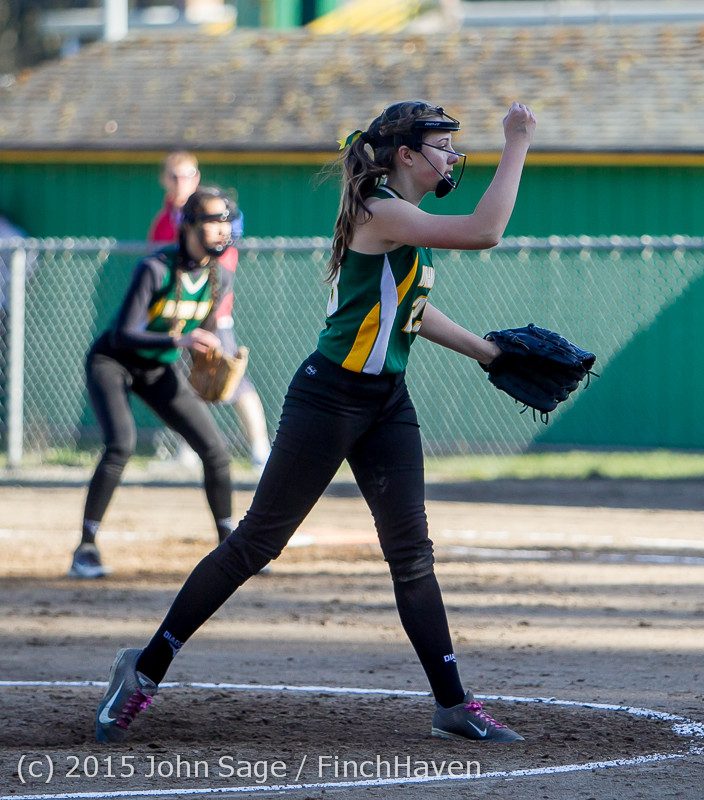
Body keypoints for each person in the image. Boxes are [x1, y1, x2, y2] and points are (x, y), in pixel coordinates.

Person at [94, 100, 536, 742]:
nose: (451, 157)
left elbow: (407, 309)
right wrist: (517, 143)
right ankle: (143, 669)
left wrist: (489, 353)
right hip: (328, 398)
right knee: (255, 543)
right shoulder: (380, 209)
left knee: (411, 552)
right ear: (406, 156)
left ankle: (452, 703)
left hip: (386, 401)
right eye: (441, 146)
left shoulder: (401, 218)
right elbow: (485, 231)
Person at [69, 188, 240, 579]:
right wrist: (180, 341)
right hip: (112, 361)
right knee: (121, 444)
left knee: (215, 450)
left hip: (157, 369)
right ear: (189, 226)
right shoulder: (155, 268)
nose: (222, 229)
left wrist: (208, 359)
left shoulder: (221, 277)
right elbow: (124, 333)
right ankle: (86, 547)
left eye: (226, 221)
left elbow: (203, 335)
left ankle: (231, 546)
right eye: (214, 221)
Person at [149, 151, 271, 473]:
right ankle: (187, 451)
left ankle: (261, 452)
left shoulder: (220, 212)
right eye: (175, 176)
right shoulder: (164, 221)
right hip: (176, 318)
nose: (182, 182)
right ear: (165, 180)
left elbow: (223, 257)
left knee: (232, 378)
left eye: (188, 175)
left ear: (198, 177)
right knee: (186, 385)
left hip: (211, 313)